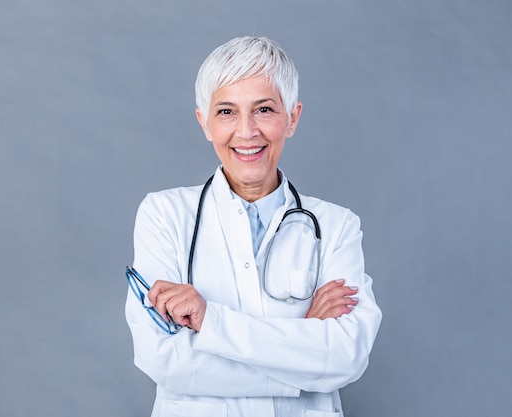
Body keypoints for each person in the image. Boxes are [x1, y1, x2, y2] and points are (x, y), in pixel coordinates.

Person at [125, 36, 382, 417]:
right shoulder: (164, 215)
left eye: (264, 109)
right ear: (205, 123)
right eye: (227, 112)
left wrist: (209, 321)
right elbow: (163, 359)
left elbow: (346, 357)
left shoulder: (336, 226)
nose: (246, 131)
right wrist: (303, 347)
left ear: (292, 118)